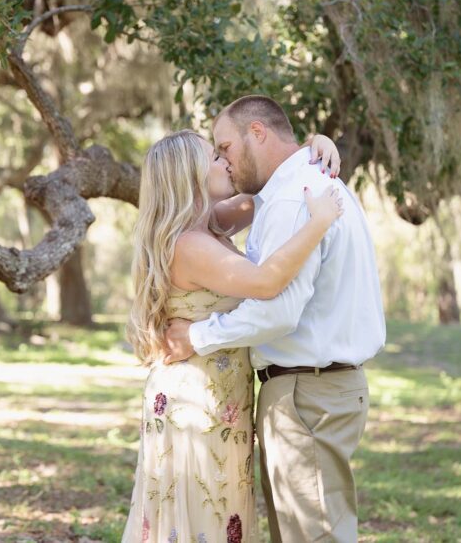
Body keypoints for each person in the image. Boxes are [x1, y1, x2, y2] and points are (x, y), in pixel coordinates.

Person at [164, 96, 386, 543]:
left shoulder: (292, 198)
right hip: (316, 388)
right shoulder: (305, 184)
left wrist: (197, 336)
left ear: (258, 133)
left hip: (307, 393)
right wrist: (313, 142)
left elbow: (277, 310)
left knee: (314, 536)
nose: (223, 160)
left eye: (225, 147)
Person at [122, 129, 343, 543]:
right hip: (197, 403)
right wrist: (319, 223)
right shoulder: (190, 245)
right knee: (204, 516)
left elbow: (267, 188)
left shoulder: (210, 224)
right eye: (215, 157)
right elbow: (265, 282)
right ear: (191, 175)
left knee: (218, 511)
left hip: (218, 398)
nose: (226, 162)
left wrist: (313, 144)